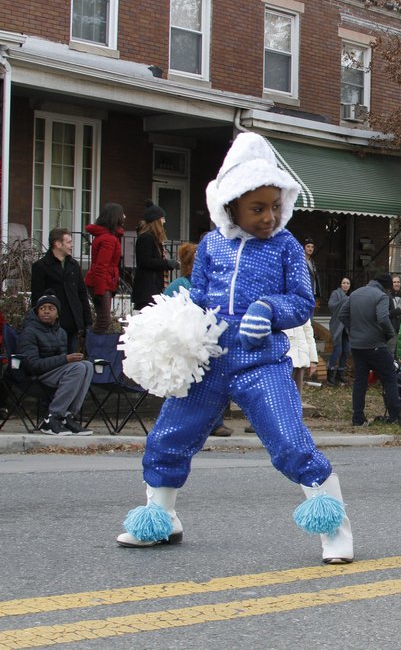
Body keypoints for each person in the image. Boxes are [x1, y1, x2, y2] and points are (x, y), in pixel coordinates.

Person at [114, 132, 353, 565]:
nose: (269, 216)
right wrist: (177, 328)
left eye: (275, 206)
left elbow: (302, 302)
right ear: (231, 205)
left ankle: (333, 526)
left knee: (289, 439)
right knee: (171, 434)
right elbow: (199, 295)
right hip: (210, 360)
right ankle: (160, 516)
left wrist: (269, 308)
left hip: (262, 363)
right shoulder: (211, 245)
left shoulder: (287, 247)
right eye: (257, 208)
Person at [163, 242, 232, 438]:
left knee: (213, 382)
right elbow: (165, 311)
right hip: (188, 343)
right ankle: (188, 422)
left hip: (210, 342)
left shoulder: (213, 286)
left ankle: (214, 421)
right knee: (191, 384)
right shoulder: (181, 285)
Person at [16, 294, 95, 436]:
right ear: (37, 312)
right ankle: (52, 417)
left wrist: (68, 360)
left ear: (57, 314)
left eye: (51, 308)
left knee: (87, 366)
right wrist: (65, 359)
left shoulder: (61, 332)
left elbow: (62, 361)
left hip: (53, 372)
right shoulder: (29, 331)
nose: (46, 311)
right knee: (77, 367)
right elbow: (32, 365)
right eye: (42, 308)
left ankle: (67, 416)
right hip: (36, 375)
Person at [338, 272, 401, 425]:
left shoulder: (355, 293)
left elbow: (342, 314)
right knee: (390, 378)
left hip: (357, 345)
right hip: (376, 345)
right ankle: (394, 416)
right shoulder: (381, 296)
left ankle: (358, 417)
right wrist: (390, 333)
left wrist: (353, 330)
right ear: (385, 287)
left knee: (360, 381)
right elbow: (383, 317)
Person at [31, 228, 92, 353]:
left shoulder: (74, 265)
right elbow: (37, 297)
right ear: (58, 244)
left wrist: (87, 321)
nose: (72, 245)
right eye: (69, 242)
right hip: (52, 325)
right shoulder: (41, 266)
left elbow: (82, 294)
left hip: (73, 323)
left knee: (72, 359)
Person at [85, 204, 126, 334]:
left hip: (104, 282)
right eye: (122, 214)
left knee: (103, 320)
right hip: (102, 283)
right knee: (104, 321)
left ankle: (92, 346)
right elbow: (101, 267)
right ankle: (93, 348)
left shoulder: (107, 237)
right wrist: (99, 291)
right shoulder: (109, 239)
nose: (124, 217)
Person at [131, 200, 179, 311]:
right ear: (156, 221)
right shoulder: (146, 238)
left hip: (151, 289)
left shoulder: (152, 239)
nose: (164, 221)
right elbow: (145, 261)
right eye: (162, 218)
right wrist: (167, 263)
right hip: (147, 290)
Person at [325, 276, 351, 386]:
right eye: (344, 282)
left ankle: (340, 375)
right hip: (337, 325)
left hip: (346, 326)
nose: (345, 285)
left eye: (348, 283)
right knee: (337, 349)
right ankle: (330, 375)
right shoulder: (336, 293)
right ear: (340, 284)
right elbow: (331, 306)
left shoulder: (349, 296)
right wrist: (344, 301)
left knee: (346, 350)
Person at [303, 238, 321, 306]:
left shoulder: (312, 262)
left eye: (312, 247)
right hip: (304, 293)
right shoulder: (300, 261)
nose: (310, 249)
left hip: (313, 293)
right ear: (304, 247)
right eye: (308, 246)